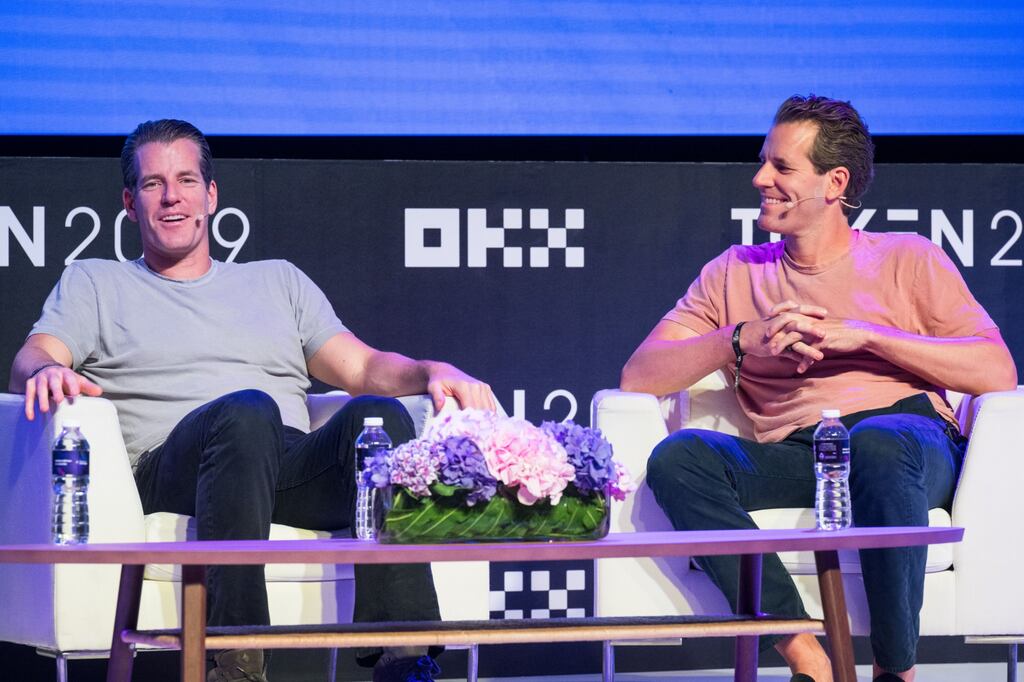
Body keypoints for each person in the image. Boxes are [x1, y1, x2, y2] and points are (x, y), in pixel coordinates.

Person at [9, 119, 496, 682]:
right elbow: (32, 357)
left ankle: (405, 658)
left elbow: (361, 369)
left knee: (378, 418)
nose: (171, 197)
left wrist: (433, 370)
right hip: (174, 465)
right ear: (129, 203)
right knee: (247, 410)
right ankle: (237, 661)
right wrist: (45, 369)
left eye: (186, 180)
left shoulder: (279, 282)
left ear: (211, 196)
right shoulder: (95, 283)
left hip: (281, 466)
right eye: (153, 184)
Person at [620, 95, 1017, 682]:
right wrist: (742, 338)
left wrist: (868, 336)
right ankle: (807, 655)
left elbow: (996, 371)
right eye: (763, 162)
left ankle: (894, 671)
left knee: (879, 444)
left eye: (782, 167)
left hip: (907, 441)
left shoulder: (907, 258)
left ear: (835, 183)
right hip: (800, 451)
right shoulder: (734, 271)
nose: (760, 179)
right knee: (679, 458)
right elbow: (639, 374)